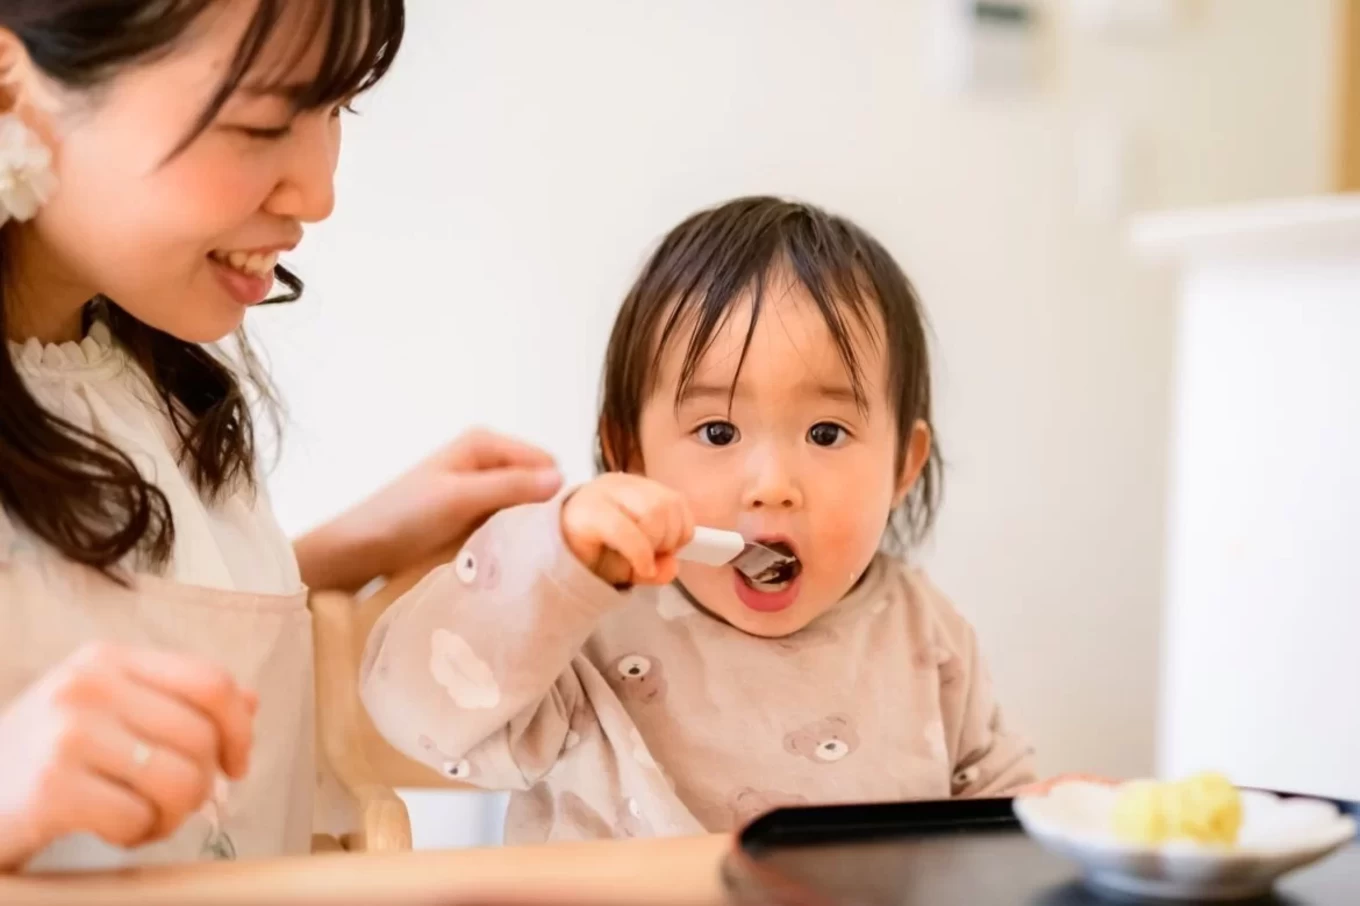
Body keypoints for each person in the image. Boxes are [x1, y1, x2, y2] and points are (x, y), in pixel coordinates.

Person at [0, 0, 561, 872]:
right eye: (261, 123)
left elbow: (79, 601)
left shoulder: (150, 383)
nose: (320, 194)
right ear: (10, 89)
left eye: (338, 107)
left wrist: (344, 550)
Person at [361, 196, 1038, 843]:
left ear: (903, 466)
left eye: (827, 434)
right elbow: (416, 710)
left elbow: (994, 826)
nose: (774, 486)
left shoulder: (928, 637)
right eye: (717, 433)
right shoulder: (579, 627)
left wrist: (1054, 820)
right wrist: (553, 561)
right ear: (631, 455)